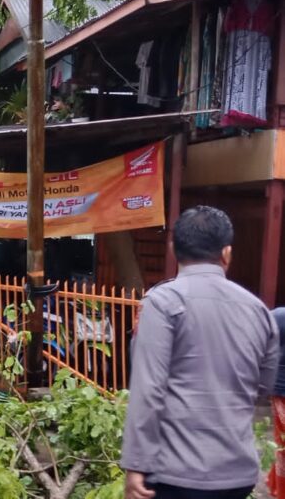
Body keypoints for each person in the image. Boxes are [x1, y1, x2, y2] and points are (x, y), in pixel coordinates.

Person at [122, 206, 279, 499]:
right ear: (227, 253)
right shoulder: (258, 310)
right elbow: (261, 385)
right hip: (237, 475)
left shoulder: (162, 303)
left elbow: (148, 390)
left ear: (173, 249)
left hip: (175, 474)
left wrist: (135, 465)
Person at [269, 307, 285, 497]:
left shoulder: (277, 315)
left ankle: (276, 485)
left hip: (279, 386)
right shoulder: (279, 316)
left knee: (281, 440)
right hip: (282, 388)